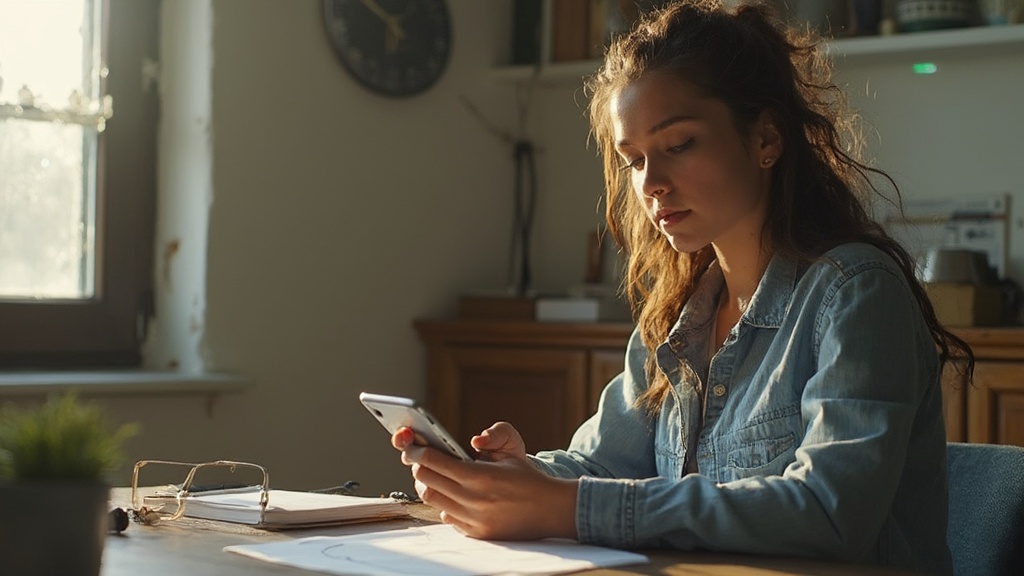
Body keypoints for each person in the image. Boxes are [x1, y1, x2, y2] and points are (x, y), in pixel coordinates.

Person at [391, 1, 974, 573]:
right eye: (635, 160)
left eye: (679, 145)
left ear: (766, 139)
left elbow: (830, 512)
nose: (653, 184)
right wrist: (522, 474)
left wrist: (566, 505)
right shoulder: (677, 318)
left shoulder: (855, 293)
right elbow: (601, 464)